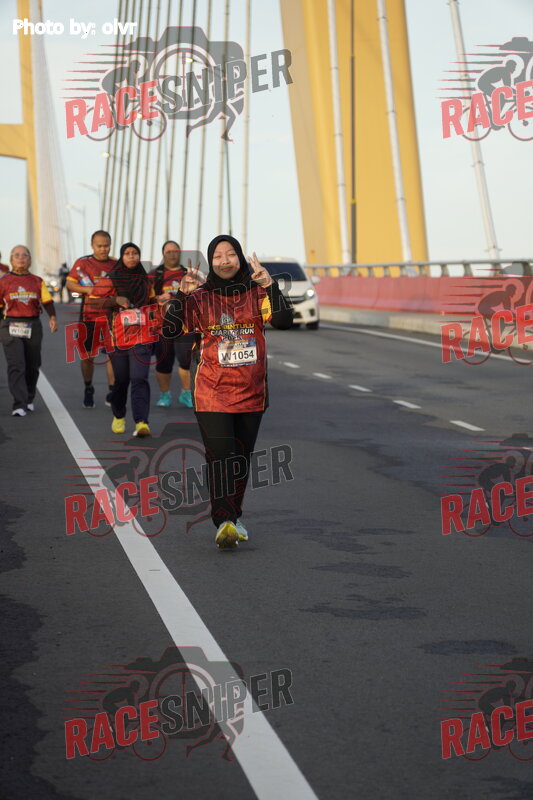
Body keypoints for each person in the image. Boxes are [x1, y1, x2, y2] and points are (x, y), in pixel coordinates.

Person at [163, 234, 293, 549]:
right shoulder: (199, 297)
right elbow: (170, 330)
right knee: (220, 456)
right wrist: (181, 295)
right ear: (211, 262)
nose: (224, 261)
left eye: (230, 254)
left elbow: (284, 321)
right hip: (212, 393)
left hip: (252, 392)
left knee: (240, 459)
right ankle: (224, 521)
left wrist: (270, 285)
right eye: (218, 256)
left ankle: (234, 516)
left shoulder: (257, 292)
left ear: (240, 258)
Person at [90, 242, 163, 437]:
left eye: (135, 253)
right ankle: (119, 415)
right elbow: (93, 302)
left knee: (139, 378)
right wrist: (115, 300)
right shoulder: (111, 278)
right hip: (118, 338)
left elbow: (151, 302)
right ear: (122, 257)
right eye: (127, 253)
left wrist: (160, 301)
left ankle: (141, 422)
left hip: (143, 336)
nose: (132, 257)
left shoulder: (146, 280)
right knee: (121, 380)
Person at [0, 245, 58, 416]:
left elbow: (47, 301)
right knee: (16, 364)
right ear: (11, 260)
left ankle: (29, 397)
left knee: (32, 365)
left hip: (32, 324)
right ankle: (19, 404)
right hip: (10, 324)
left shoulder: (37, 281)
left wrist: (53, 317)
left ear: (30, 260)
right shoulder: (3, 281)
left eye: (24, 255)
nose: (21, 258)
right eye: (16, 255)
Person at [66, 230, 117, 408]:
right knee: (88, 356)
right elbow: (70, 283)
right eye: (99, 246)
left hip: (111, 317)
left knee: (112, 355)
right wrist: (89, 290)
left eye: (106, 246)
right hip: (88, 316)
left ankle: (112, 391)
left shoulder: (116, 264)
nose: (103, 249)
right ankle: (88, 387)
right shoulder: (83, 263)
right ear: (92, 245)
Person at [150, 240, 196, 408]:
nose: (172, 254)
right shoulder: (155, 275)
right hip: (162, 326)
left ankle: (186, 393)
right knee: (164, 362)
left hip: (185, 325)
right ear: (163, 254)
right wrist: (157, 299)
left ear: (179, 253)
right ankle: (165, 395)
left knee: (186, 360)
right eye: (168, 251)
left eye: (175, 251)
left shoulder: (188, 273)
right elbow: (144, 299)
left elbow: (199, 296)